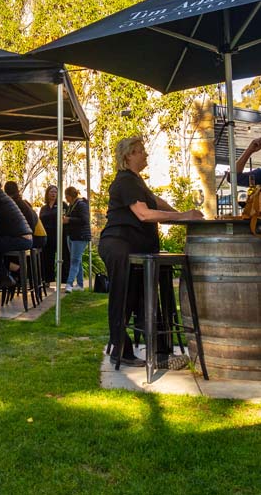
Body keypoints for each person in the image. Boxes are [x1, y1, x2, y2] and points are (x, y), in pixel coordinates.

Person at [98, 137, 203, 368]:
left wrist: (183, 215)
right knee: (124, 296)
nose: (145, 155)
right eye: (140, 151)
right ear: (128, 156)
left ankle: (154, 351)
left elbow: (158, 202)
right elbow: (144, 214)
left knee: (141, 297)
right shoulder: (125, 181)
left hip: (132, 246)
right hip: (119, 244)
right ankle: (123, 349)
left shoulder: (136, 182)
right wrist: (183, 216)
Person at [0, 177, 33, 291]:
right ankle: (4, 277)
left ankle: (4, 277)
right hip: (25, 238)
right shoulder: (2, 196)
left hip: (19, 239)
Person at [62, 186, 91, 292]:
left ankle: (69, 284)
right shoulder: (72, 205)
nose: (66, 198)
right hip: (72, 235)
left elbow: (84, 220)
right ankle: (80, 284)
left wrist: (69, 219)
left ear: (70, 196)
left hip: (80, 236)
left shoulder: (81, 205)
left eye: (66, 196)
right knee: (77, 261)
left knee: (74, 260)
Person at [39, 185, 69, 285]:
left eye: (55, 192)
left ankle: (64, 280)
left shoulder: (62, 205)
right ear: (47, 194)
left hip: (60, 235)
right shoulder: (44, 208)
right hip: (47, 236)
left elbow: (67, 218)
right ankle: (48, 279)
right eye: (51, 192)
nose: (53, 194)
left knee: (63, 257)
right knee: (47, 257)